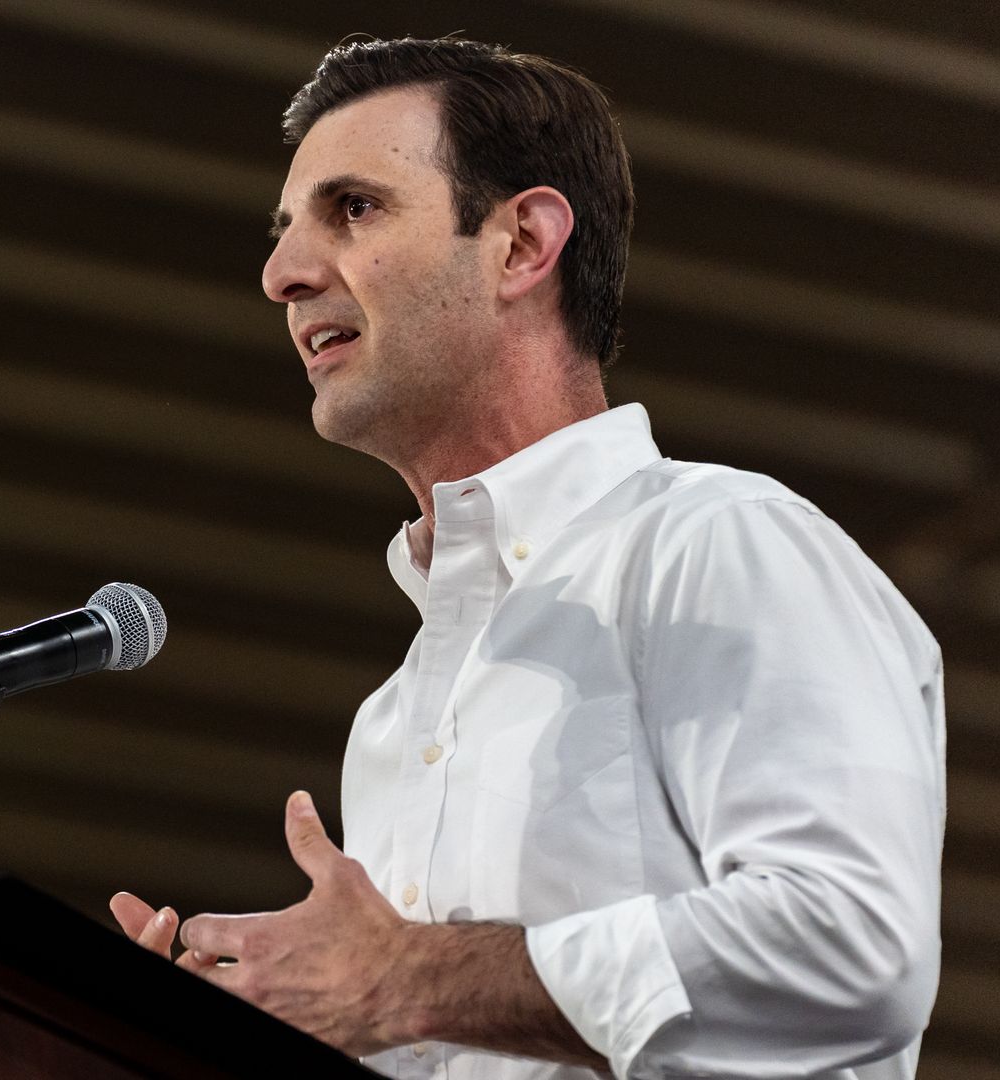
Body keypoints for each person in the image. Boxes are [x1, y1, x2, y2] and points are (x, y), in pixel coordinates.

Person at [109, 36, 944, 1080]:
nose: (282, 274)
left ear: (521, 245)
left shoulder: (714, 542)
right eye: (285, 233)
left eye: (354, 209)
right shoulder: (391, 725)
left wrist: (402, 979)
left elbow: (854, 949)